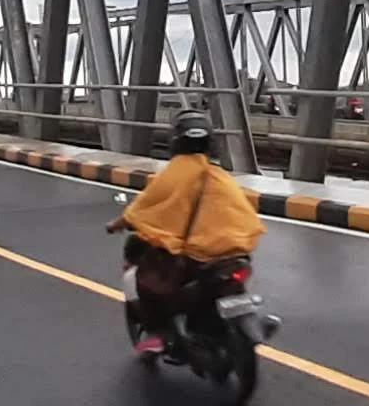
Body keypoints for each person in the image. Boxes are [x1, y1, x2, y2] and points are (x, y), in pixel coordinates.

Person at [105, 111, 263, 356]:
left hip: (198, 255)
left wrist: (117, 224)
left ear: (176, 141)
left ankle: (159, 333)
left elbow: (143, 208)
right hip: (236, 250)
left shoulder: (174, 173)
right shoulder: (220, 175)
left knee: (148, 279)